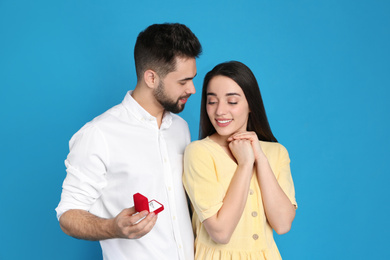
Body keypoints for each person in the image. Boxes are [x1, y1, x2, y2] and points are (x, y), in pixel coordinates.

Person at [55, 23, 202, 260]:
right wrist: (112, 227)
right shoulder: (99, 134)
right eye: (183, 81)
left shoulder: (181, 128)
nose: (193, 89)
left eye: (192, 79)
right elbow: (68, 214)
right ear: (151, 77)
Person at [183, 61, 297, 259]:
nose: (220, 111)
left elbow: (282, 224)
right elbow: (220, 232)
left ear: (251, 104)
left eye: (232, 102)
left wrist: (259, 158)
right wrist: (245, 165)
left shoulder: (276, 152)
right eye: (212, 101)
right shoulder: (199, 152)